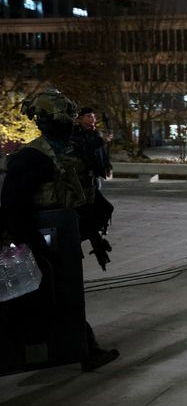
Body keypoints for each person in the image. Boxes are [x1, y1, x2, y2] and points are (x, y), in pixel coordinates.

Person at [0, 90, 119, 371]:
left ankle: (81, 348)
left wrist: (93, 234)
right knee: (57, 298)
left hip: (64, 238)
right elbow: (13, 209)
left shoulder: (74, 151)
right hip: (41, 242)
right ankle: (78, 349)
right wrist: (30, 249)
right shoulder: (30, 158)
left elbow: (83, 195)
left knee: (67, 295)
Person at [73, 107, 112, 180]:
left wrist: (107, 166)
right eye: (89, 116)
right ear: (80, 118)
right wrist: (101, 141)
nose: (93, 119)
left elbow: (102, 151)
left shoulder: (95, 133)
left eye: (94, 117)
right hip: (81, 174)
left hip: (95, 174)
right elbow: (84, 149)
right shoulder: (76, 132)